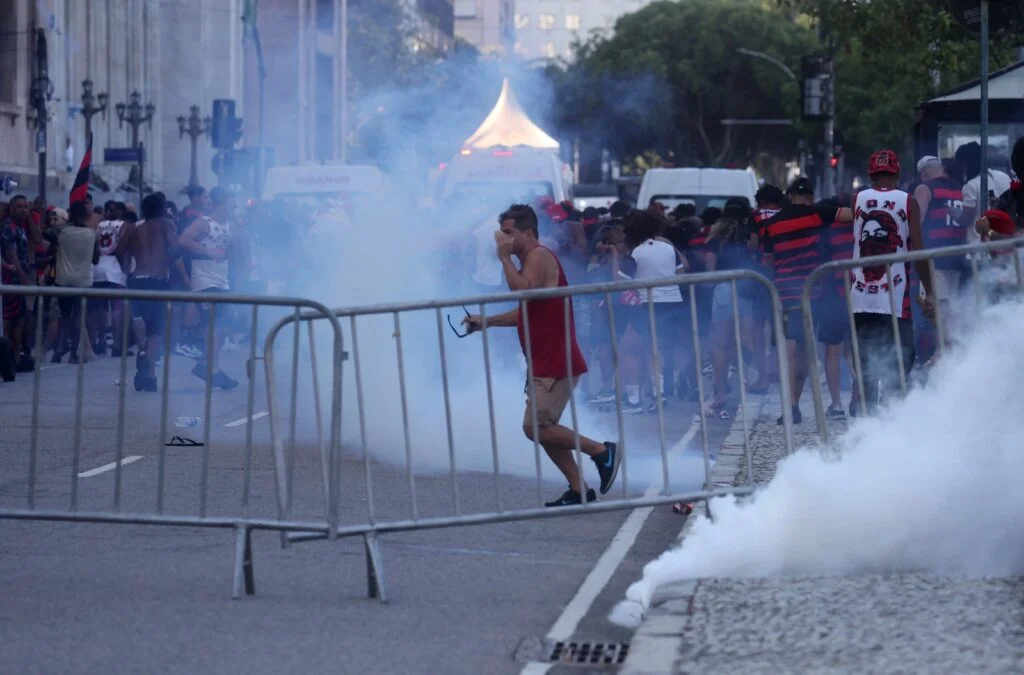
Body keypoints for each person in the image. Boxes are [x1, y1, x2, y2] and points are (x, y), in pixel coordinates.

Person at [462, 204, 620, 508]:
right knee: (544, 429)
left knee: (535, 427)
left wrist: (504, 259)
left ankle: (602, 452)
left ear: (528, 234)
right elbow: (527, 310)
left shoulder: (538, 255)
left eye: (508, 232)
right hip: (545, 360)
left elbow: (522, 292)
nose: (501, 238)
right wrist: (487, 322)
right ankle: (579, 489)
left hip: (555, 360)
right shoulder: (531, 260)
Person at [760, 177, 852, 424]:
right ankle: (798, 405)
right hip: (818, 290)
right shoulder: (819, 213)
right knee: (810, 350)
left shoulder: (771, 224)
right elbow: (850, 214)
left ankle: (792, 406)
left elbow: (767, 260)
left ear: (789, 196)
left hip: (786, 292)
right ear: (810, 196)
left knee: (791, 349)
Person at [850, 150, 934, 415]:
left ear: (871, 174)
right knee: (899, 367)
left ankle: (867, 424)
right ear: (897, 173)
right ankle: (892, 424)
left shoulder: (858, 199)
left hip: (860, 300)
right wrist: (930, 291)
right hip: (896, 302)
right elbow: (918, 251)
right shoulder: (908, 202)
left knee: (865, 367)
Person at [178, 187, 239, 390]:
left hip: (222, 281)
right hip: (204, 282)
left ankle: (204, 365)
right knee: (214, 324)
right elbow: (184, 240)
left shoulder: (230, 225)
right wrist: (207, 251)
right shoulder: (203, 223)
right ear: (222, 203)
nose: (234, 208)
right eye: (232, 204)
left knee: (223, 327)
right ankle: (213, 371)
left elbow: (231, 251)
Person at [118, 193, 178, 392]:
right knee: (156, 329)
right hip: (158, 280)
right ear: (162, 209)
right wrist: (167, 263)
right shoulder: (167, 224)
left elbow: (119, 249)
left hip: (137, 279)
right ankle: (149, 369)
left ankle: (146, 364)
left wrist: (126, 267)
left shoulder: (134, 228)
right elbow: (176, 248)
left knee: (139, 320)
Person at [55, 202, 99, 362]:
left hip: (63, 280)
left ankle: (59, 349)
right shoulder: (91, 234)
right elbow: (95, 259)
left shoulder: (61, 232)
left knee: (65, 316)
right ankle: (74, 353)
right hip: (83, 282)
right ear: (86, 216)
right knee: (79, 318)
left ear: (70, 215)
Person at [1, 194, 35, 372]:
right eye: (19, 207)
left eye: (26, 207)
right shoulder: (9, 227)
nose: (23, 210)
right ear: (12, 208)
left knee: (20, 320)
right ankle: (8, 357)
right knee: (9, 320)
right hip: (10, 279)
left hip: (18, 279)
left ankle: (16, 356)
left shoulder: (20, 228)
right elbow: (11, 255)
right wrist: (24, 279)